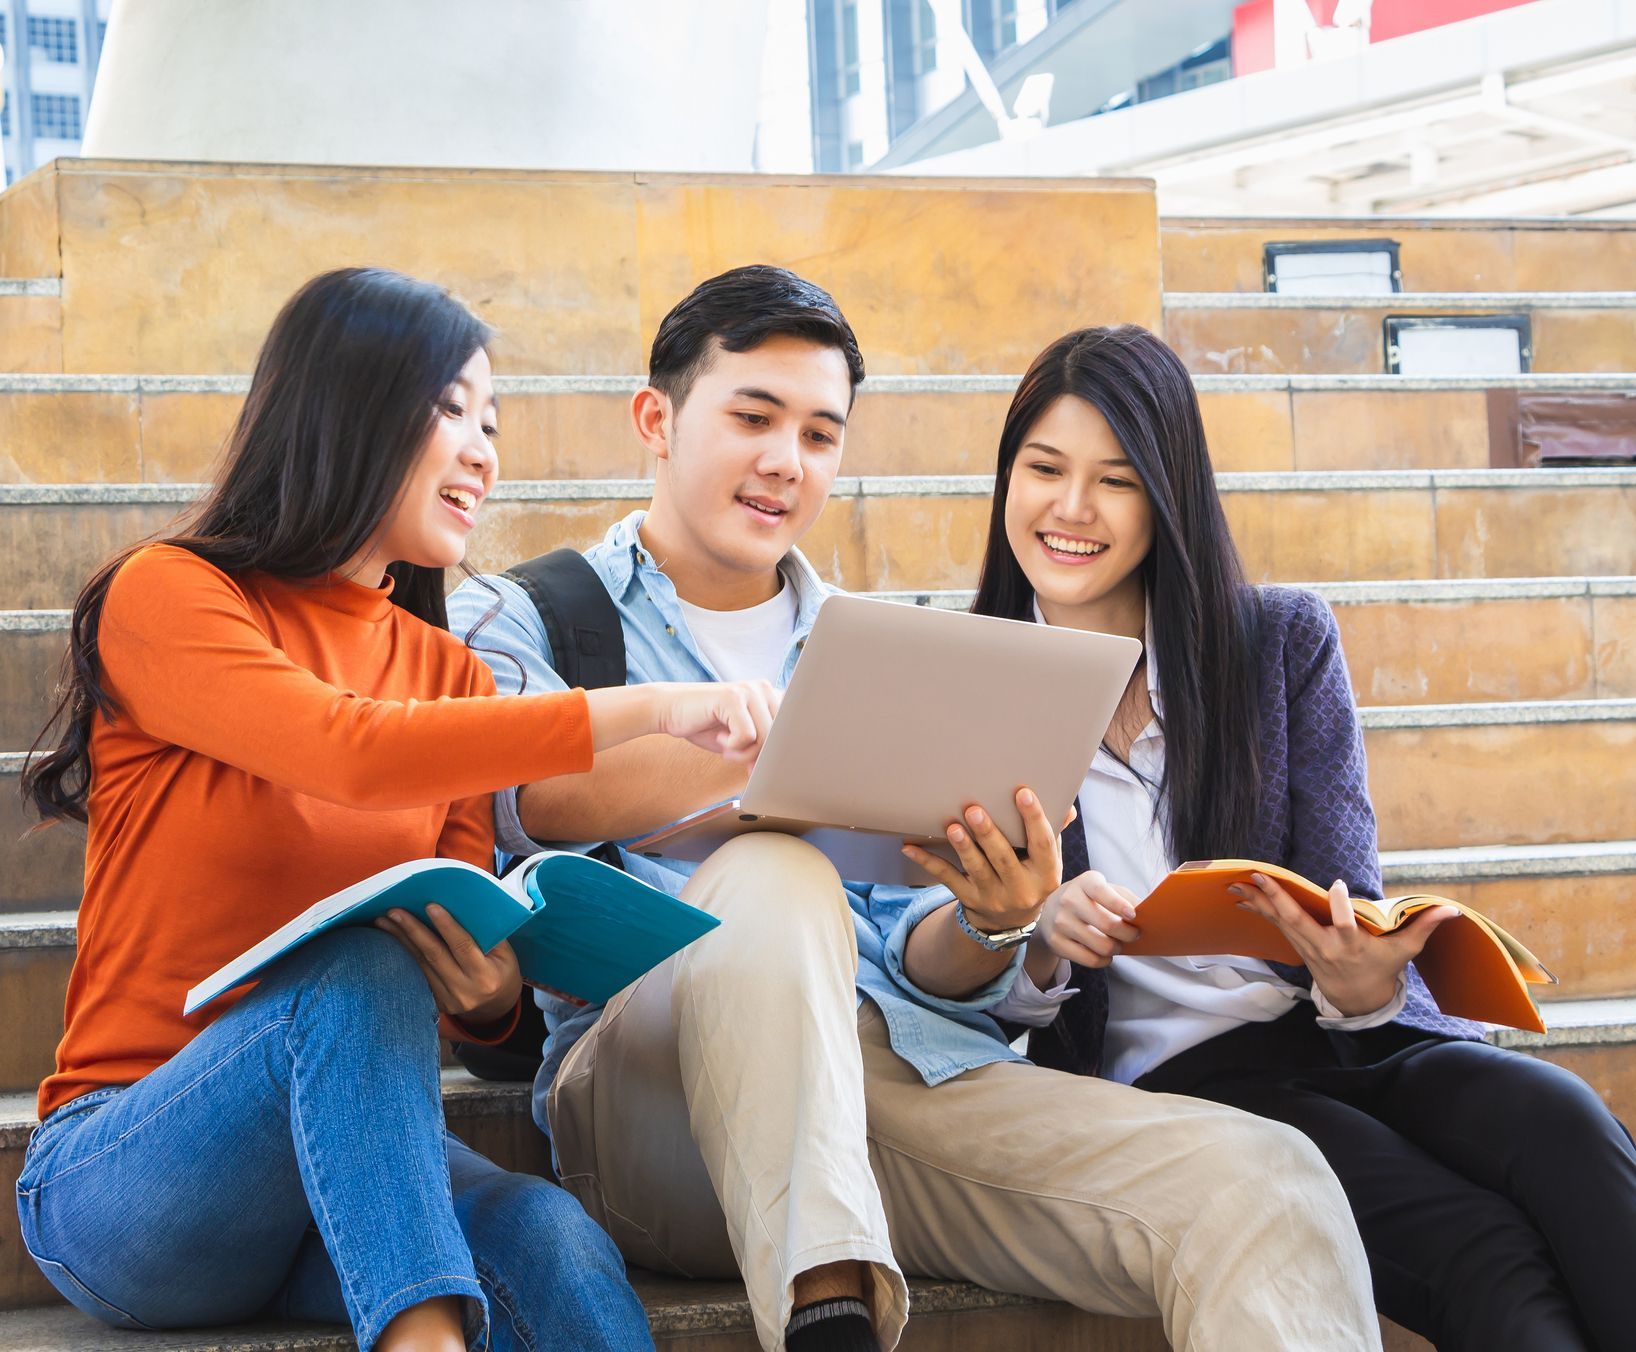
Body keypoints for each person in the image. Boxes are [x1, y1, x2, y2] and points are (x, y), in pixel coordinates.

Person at [448, 265, 1383, 1352]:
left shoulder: (882, 645)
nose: (783, 461)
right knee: (774, 873)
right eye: (753, 416)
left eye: (819, 433)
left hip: (906, 1075)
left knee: (1266, 1179)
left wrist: (994, 916)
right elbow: (521, 794)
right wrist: (787, 761)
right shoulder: (527, 612)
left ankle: (838, 1270)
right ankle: (827, 1314)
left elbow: (918, 952)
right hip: (658, 1107)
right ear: (657, 418)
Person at [16, 267, 781, 1352]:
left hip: (351, 1173)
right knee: (357, 965)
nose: (483, 450)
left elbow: (468, 955)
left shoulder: (451, 673)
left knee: (551, 1236)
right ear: (349, 408)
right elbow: (349, 749)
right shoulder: (172, 594)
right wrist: (655, 707)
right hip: (131, 1176)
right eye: (453, 411)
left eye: (494, 423)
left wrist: (491, 986)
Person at [977, 323, 1636, 1352]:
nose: (1071, 508)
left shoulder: (1277, 642)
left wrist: (1363, 977)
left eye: (1115, 478)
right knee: (1483, 1248)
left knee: (1561, 1118)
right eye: (1044, 469)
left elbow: (1351, 894)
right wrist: (1043, 933)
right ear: (1006, 478)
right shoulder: (974, 687)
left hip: (1339, 1039)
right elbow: (968, 995)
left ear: (1168, 495)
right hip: (1180, 1088)